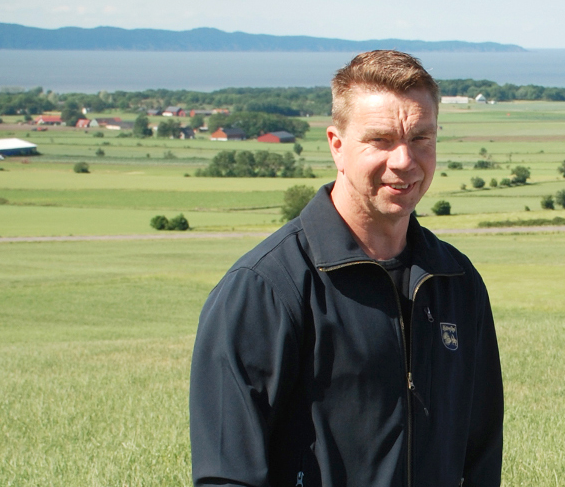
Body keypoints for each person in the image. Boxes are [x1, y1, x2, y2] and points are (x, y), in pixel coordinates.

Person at [190, 50, 503, 487]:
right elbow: (226, 476)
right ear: (337, 145)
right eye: (381, 140)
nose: (404, 160)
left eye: (420, 138)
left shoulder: (457, 282)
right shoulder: (266, 289)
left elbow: (482, 455)